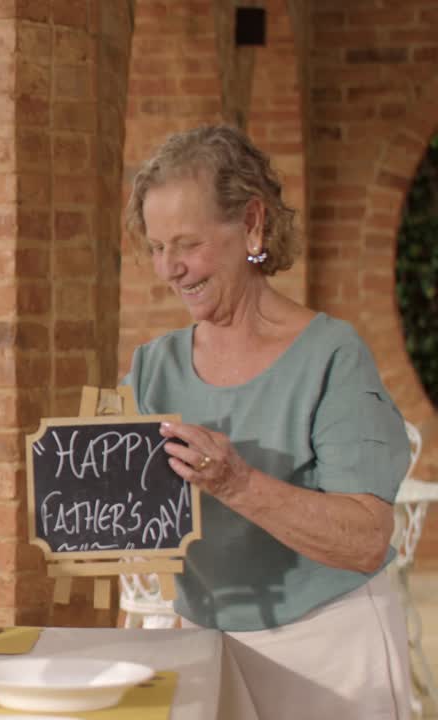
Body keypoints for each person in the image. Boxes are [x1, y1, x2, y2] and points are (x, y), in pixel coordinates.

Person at [123, 125, 411, 719]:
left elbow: (365, 540)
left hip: (330, 653)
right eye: (156, 247)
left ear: (252, 224)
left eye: (186, 243)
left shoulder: (332, 354)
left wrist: (236, 483)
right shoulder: (154, 367)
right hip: (204, 644)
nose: (169, 269)